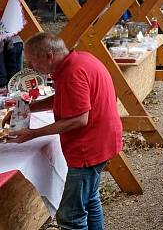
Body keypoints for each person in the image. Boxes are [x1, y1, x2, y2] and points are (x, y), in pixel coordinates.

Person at [5, 32, 122, 230]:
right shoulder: (78, 60)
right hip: (102, 141)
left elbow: (79, 119)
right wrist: (26, 108)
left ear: (49, 56)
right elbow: (62, 98)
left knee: (70, 216)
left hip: (89, 149)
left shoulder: (72, 73)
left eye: (33, 62)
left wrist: (33, 133)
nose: (32, 67)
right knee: (90, 200)